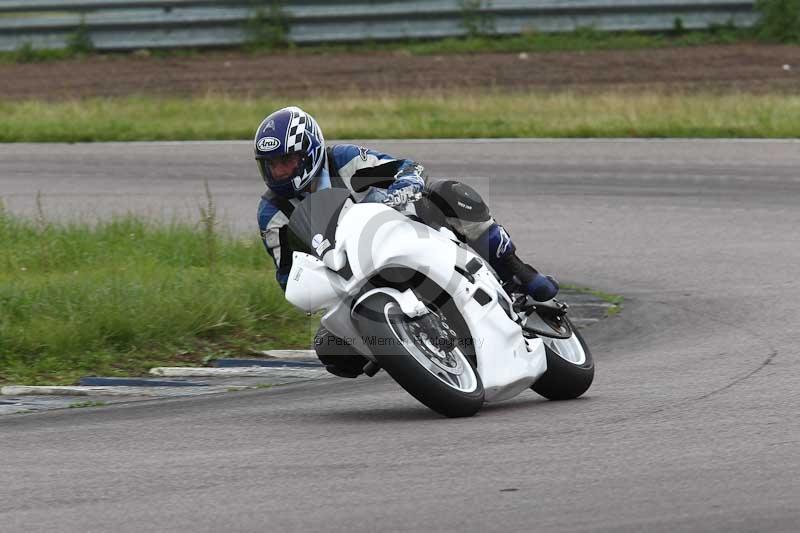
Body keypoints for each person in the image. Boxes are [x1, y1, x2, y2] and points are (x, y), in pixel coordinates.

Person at [256, 106, 558, 377]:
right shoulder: (273, 213)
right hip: (348, 277)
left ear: (309, 152)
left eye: (286, 161)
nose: (279, 171)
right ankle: (402, 346)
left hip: (399, 234)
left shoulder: (344, 161)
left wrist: (403, 188)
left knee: (448, 193)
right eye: (271, 165)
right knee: (331, 350)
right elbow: (287, 271)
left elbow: (406, 168)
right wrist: (306, 285)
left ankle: (517, 271)